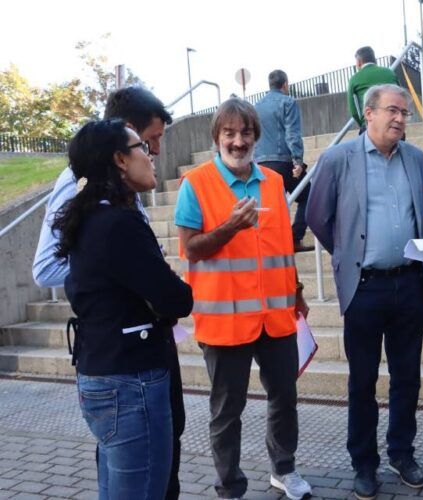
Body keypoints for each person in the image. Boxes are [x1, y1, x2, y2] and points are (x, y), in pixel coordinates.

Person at [32, 86, 188, 500]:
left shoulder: (96, 216)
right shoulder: (114, 221)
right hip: (129, 374)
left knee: (122, 486)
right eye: (143, 145)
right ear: (119, 158)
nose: (152, 153)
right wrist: (145, 286)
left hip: (108, 365)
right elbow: (177, 299)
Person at [175, 98, 312, 500]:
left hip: (276, 317)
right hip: (224, 323)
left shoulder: (273, 181)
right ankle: (230, 487)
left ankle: (283, 469)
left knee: (285, 399)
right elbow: (191, 250)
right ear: (217, 138)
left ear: (256, 135)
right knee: (226, 412)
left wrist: (298, 293)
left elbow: (282, 248)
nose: (238, 141)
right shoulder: (194, 184)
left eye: (246, 133)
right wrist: (230, 227)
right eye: (229, 134)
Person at [306, 84, 423, 500]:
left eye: (405, 113)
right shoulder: (339, 158)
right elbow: (317, 216)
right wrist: (348, 255)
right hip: (364, 289)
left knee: (407, 378)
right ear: (369, 115)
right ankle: (364, 463)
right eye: (393, 111)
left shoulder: (415, 158)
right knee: (362, 381)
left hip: (409, 285)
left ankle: (402, 452)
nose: (400, 118)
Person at [254, 69, 312, 252]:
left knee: (273, 204)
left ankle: (274, 244)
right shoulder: (288, 102)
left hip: (261, 163)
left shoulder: (256, 106)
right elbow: (292, 133)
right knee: (308, 194)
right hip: (283, 161)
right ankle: (295, 238)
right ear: (285, 84)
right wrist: (298, 161)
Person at [347, 46, 400, 133]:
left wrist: (363, 123)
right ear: (374, 59)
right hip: (392, 124)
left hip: (370, 125)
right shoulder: (390, 73)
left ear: (359, 62)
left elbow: (353, 111)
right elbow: (401, 97)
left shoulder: (354, 79)